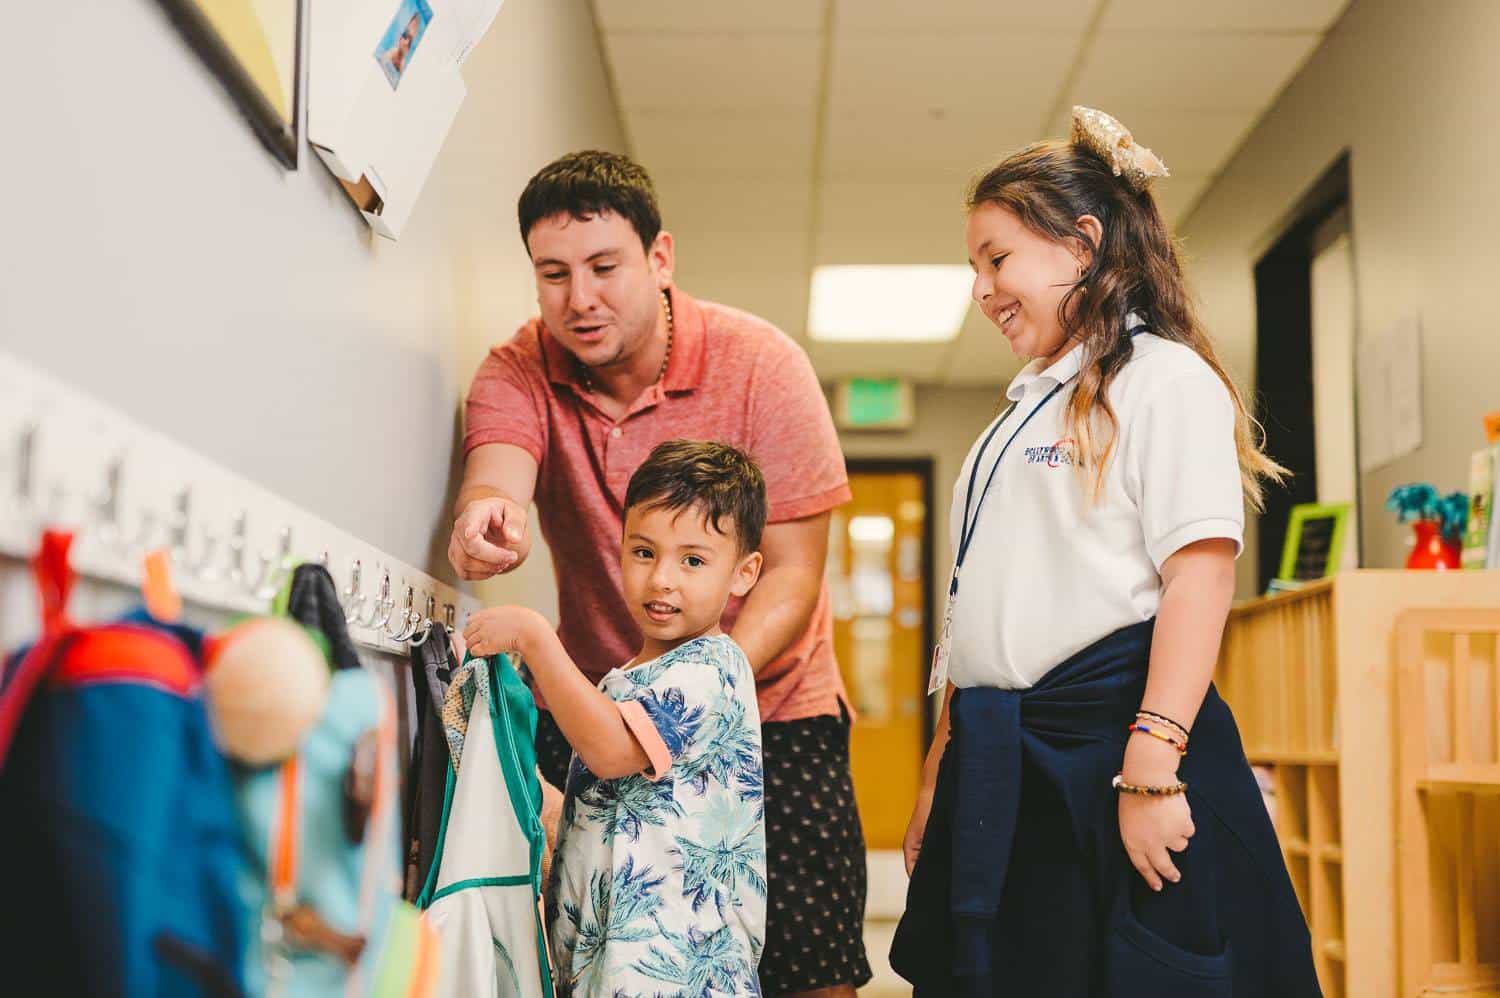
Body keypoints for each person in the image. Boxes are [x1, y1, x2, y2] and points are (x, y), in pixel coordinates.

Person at [890, 107, 1321, 996]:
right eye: (976, 267)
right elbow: (975, 614)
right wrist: (943, 771)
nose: (982, 289)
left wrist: (1154, 770)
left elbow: (1198, 576)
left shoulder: (1162, 380)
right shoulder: (1015, 418)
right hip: (1004, 754)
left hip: (1112, 749)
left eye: (997, 258)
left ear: (1082, 245)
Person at [451, 151, 871, 996]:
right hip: (609, 698)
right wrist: (486, 521)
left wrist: (700, 691)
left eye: (605, 267)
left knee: (807, 966)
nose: (581, 298)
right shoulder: (518, 369)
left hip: (771, 708)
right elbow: (495, 483)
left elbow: (791, 576)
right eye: (554, 274)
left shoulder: (765, 366)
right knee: (609, 932)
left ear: (660, 258)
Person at [463, 440, 768, 995]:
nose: (662, 580)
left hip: (670, 968)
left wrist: (535, 638)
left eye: (693, 560)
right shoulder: (633, 677)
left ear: (744, 573)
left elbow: (610, 750)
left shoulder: (709, 670)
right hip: (614, 955)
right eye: (644, 552)